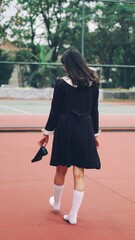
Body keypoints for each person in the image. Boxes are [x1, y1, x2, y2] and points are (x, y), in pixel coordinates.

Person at [38, 48, 101, 224]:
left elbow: (55, 111)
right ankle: (73, 216)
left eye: (64, 64)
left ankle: (56, 204)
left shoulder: (61, 83)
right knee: (79, 172)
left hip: (65, 128)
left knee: (61, 168)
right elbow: (94, 111)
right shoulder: (93, 83)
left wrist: (47, 133)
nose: (63, 67)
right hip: (85, 128)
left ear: (69, 65)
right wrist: (94, 134)